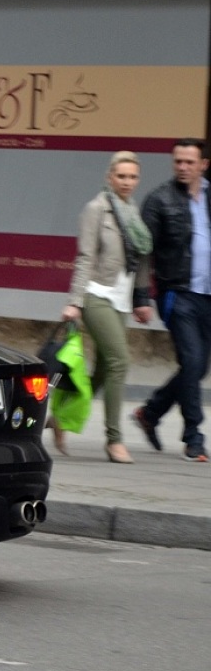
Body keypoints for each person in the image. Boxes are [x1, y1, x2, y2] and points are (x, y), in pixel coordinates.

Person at [54, 151, 153, 463]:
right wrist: (74, 302)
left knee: (104, 370)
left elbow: (140, 260)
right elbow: (85, 257)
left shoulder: (132, 210)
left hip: (121, 299)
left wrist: (141, 299)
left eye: (132, 177)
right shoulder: (96, 209)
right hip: (97, 295)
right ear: (110, 177)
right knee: (120, 361)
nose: (127, 182)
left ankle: (59, 417)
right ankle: (114, 440)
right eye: (121, 176)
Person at [133, 138, 211, 462]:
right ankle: (194, 437)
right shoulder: (158, 200)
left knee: (198, 367)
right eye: (178, 161)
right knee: (192, 362)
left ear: (203, 165)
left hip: (208, 295)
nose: (182, 167)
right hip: (176, 294)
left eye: (189, 162)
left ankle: (150, 413)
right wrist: (140, 297)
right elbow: (142, 252)